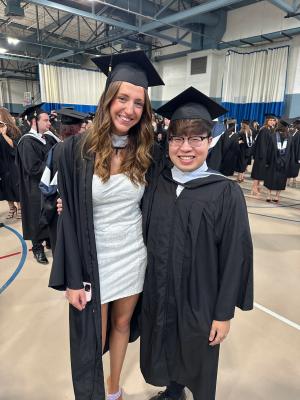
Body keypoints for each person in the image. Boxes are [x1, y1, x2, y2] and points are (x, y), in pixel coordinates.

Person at [49, 50, 164, 400]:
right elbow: (66, 218)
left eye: (138, 103)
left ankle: (113, 388)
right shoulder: (74, 151)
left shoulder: (147, 151)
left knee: (122, 324)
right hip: (91, 259)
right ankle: (95, 391)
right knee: (92, 337)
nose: (129, 109)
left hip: (132, 253)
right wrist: (70, 278)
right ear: (107, 99)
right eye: (123, 98)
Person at [140, 87, 253, 400]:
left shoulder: (224, 193)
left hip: (201, 300)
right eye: (178, 138)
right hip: (161, 290)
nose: (185, 148)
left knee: (199, 354)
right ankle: (173, 389)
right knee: (165, 342)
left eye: (196, 139)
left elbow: (235, 258)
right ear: (168, 141)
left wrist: (223, 313)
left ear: (209, 141)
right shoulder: (157, 183)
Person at [15, 103, 60, 264]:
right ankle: (37, 247)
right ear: (34, 121)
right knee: (36, 216)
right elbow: (33, 168)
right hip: (34, 189)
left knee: (50, 213)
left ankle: (49, 239)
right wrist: (54, 166)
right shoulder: (27, 142)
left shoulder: (48, 137)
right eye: (46, 120)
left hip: (48, 185)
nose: (49, 123)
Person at [39, 108, 89, 252]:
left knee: (60, 250)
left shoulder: (55, 149)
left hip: (55, 209)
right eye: (83, 127)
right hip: (72, 210)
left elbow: (46, 182)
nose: (85, 131)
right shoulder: (79, 151)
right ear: (76, 130)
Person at [0, 107, 21, 219]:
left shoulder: (13, 130)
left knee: (15, 185)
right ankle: (12, 208)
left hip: (12, 162)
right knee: (5, 186)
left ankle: (20, 208)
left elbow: (15, 147)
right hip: (2, 163)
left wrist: (4, 134)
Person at [264, 120, 293, 203]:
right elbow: (291, 152)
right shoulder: (290, 137)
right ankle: (277, 197)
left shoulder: (273, 136)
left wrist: (267, 162)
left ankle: (268, 195)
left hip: (273, 161)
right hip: (285, 162)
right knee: (281, 179)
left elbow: (269, 150)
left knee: (271, 177)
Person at [251, 114, 276, 195]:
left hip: (265, 154)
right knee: (258, 172)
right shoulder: (264, 129)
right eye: (271, 120)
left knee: (261, 172)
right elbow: (261, 144)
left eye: (273, 120)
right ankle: (254, 188)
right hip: (261, 155)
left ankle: (257, 187)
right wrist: (262, 155)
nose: (272, 122)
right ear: (267, 121)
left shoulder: (269, 129)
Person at [287, 118, 300, 186]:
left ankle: (293, 181)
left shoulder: (297, 133)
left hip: (295, 153)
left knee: (295, 167)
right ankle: (289, 181)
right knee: (292, 167)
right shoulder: (294, 132)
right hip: (293, 153)